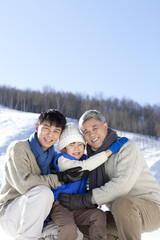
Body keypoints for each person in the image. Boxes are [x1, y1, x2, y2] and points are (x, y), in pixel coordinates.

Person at [59, 110, 160, 240]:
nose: (91, 134)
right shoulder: (91, 160)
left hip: (150, 209)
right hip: (118, 214)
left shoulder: (126, 148)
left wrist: (84, 199)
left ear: (105, 126)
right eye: (86, 132)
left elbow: (121, 186)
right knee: (83, 226)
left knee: (121, 203)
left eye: (95, 128)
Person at [0, 109, 88, 240]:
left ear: (59, 136)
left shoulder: (53, 158)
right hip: (11, 215)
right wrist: (59, 178)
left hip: (39, 220)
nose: (50, 135)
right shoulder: (19, 148)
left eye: (56, 131)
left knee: (74, 235)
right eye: (47, 128)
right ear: (37, 127)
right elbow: (24, 184)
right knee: (43, 192)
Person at [51, 122, 127, 240]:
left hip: (78, 207)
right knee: (69, 227)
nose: (77, 149)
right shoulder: (62, 160)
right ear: (64, 148)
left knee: (98, 215)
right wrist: (110, 151)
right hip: (61, 206)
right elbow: (84, 166)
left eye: (80, 145)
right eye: (72, 144)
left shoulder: (85, 159)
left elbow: (96, 171)